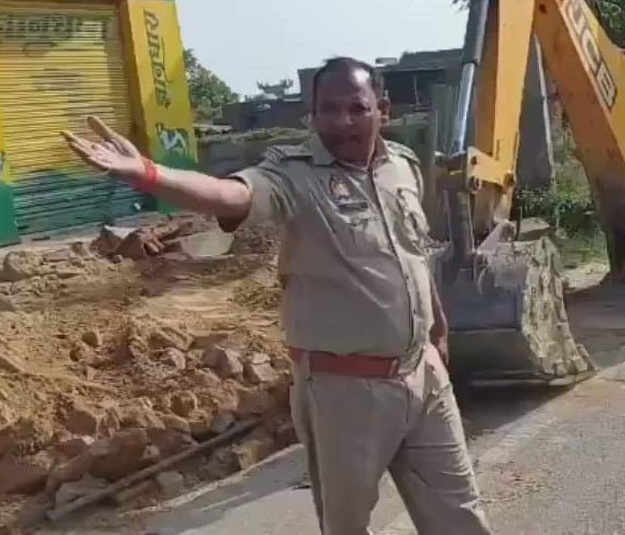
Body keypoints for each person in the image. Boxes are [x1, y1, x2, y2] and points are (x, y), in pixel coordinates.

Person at [61, 57, 494, 535]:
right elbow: (229, 195)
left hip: (423, 374)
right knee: (348, 527)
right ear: (313, 114)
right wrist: (146, 172)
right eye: (329, 110)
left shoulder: (403, 166)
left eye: (357, 108)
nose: (343, 121)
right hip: (347, 392)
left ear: (382, 109)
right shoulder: (294, 176)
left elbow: (414, 253)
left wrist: (438, 329)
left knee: (461, 514)